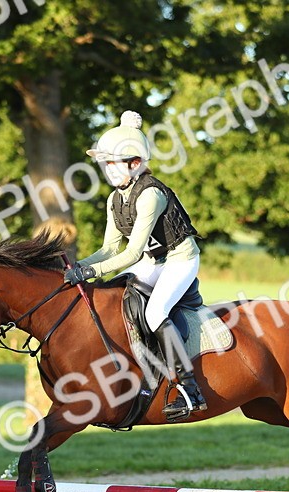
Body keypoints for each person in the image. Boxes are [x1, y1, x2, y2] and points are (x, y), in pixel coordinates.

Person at [63, 109, 207, 421]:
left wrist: (91, 272)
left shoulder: (150, 195)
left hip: (180, 260)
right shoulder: (115, 200)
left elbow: (129, 254)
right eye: (105, 163)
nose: (108, 170)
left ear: (135, 163)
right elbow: (108, 248)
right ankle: (141, 366)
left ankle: (190, 390)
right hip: (154, 261)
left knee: (155, 311)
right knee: (118, 297)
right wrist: (76, 266)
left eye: (113, 163)